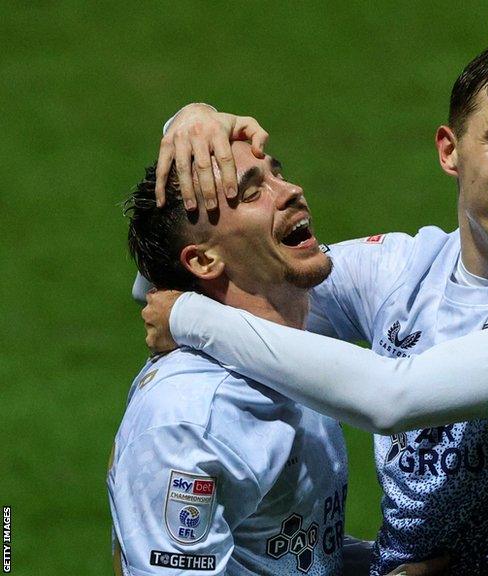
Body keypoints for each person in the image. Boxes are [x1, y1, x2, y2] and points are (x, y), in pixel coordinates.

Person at [145, 37, 488, 575]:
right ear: (449, 150)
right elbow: (212, 280)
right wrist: (188, 130)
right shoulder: (401, 269)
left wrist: (190, 319)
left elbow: (391, 398)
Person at [113, 142, 442, 575]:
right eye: (252, 193)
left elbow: (285, 552)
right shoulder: (191, 421)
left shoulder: (288, 356)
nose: (290, 191)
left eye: (277, 173)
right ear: (204, 260)